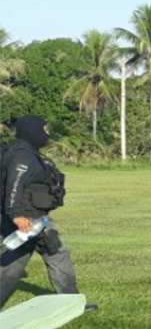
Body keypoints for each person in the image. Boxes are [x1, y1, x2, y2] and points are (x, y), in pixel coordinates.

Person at [0, 115, 85, 309]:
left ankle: (71, 301)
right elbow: (15, 185)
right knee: (52, 254)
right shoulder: (23, 156)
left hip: (30, 215)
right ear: (32, 131)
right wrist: (16, 214)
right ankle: (71, 303)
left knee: (17, 262)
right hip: (29, 217)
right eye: (44, 129)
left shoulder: (21, 151)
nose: (46, 133)